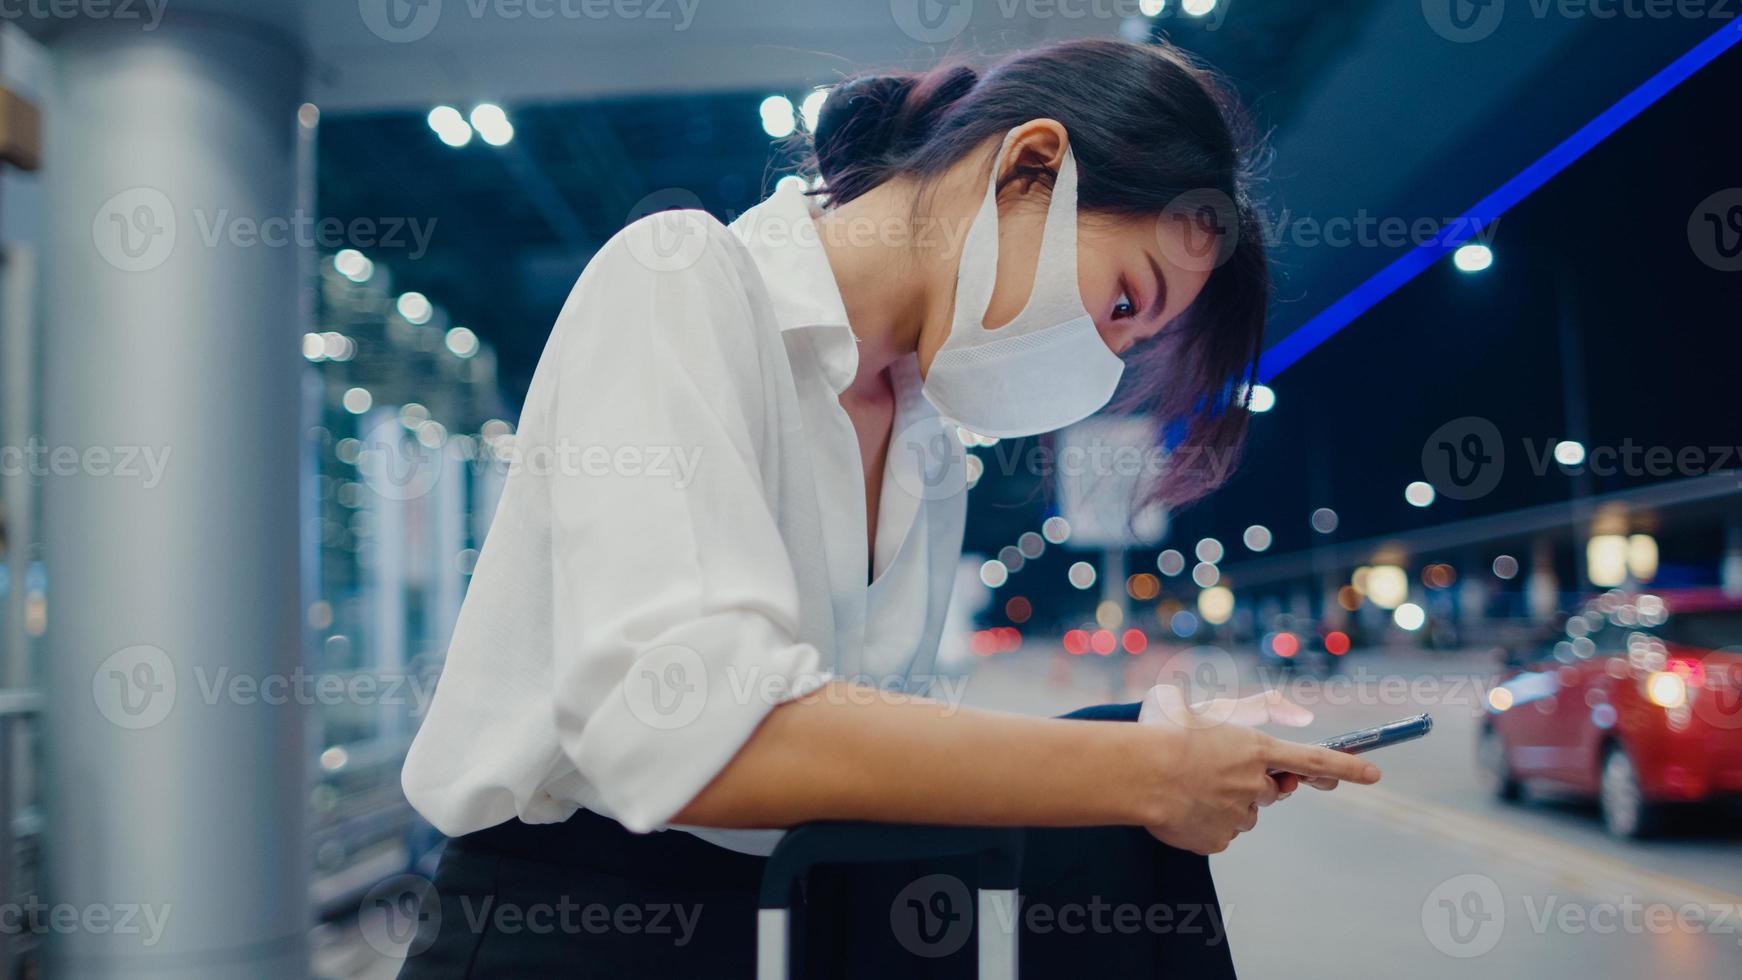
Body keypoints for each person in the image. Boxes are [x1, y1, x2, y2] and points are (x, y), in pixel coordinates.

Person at [397, 36, 1380, 978]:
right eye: (1123, 301)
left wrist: (1150, 734)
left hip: (782, 930)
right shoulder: (682, 282)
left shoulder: (926, 448)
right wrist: (1143, 770)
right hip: (566, 933)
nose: (1099, 359)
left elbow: (852, 760)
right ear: (1029, 167)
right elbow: (684, 731)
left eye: (1127, 346)